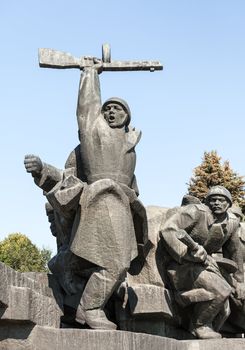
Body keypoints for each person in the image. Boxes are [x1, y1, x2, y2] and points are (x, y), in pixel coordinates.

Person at [24, 58, 148, 330]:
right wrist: (90, 73)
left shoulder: (128, 146)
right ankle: (90, 309)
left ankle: (63, 266)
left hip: (122, 204)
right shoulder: (95, 136)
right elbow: (87, 111)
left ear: (128, 117)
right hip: (100, 199)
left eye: (119, 109)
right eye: (109, 109)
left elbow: (132, 183)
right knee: (114, 263)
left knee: (106, 260)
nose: (113, 112)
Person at [159, 185, 244, 339]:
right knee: (220, 290)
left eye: (221, 200)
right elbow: (168, 229)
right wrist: (186, 252)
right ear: (207, 202)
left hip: (207, 265)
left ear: (229, 204)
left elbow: (234, 252)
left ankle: (200, 321)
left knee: (225, 308)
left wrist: (239, 282)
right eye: (213, 199)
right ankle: (200, 325)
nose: (217, 203)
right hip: (181, 264)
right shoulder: (196, 211)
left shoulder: (231, 222)